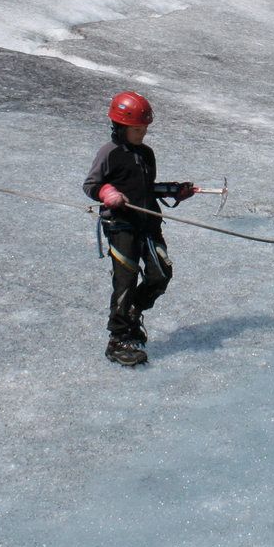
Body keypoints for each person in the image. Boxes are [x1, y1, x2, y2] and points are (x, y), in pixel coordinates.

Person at [82, 91, 196, 366]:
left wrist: (174, 191)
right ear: (120, 127)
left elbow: (145, 188)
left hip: (149, 224)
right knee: (126, 281)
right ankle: (118, 339)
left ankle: (133, 313)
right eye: (136, 129)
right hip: (121, 226)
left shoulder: (146, 153)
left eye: (144, 129)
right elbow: (91, 185)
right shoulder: (109, 153)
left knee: (161, 274)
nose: (142, 134)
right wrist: (107, 192)